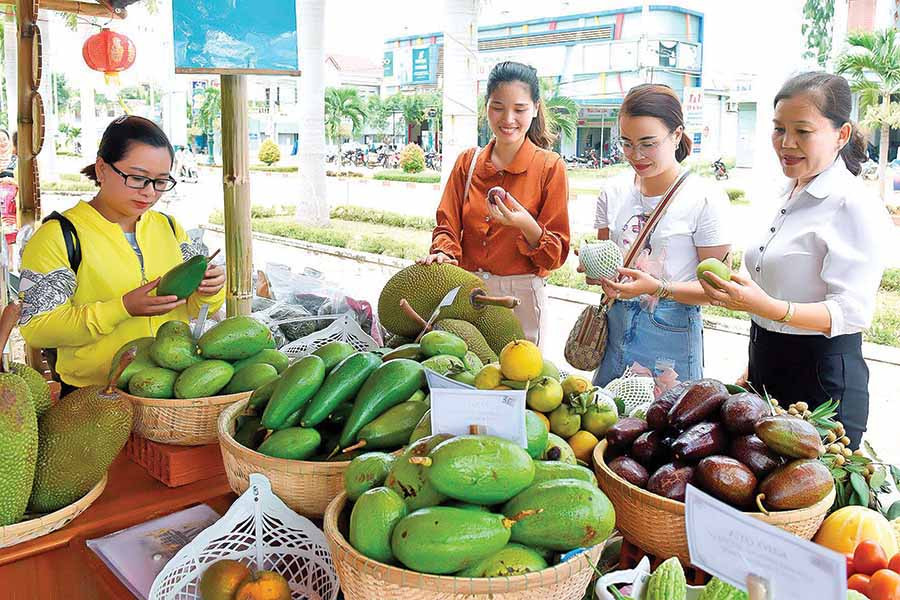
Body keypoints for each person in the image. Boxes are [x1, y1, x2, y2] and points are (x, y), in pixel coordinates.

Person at [700, 72, 890, 448]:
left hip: (822, 382)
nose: (786, 144)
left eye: (803, 131)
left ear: (841, 134)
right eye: (778, 129)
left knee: (805, 501)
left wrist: (768, 308)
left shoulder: (853, 203)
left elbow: (850, 313)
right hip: (766, 363)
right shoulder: (782, 193)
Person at [18, 115, 226, 392]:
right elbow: (36, 328)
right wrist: (122, 308)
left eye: (161, 181)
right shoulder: (60, 236)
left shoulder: (170, 228)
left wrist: (210, 291)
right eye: (138, 178)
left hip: (166, 390)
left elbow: (198, 310)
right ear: (102, 169)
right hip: (93, 395)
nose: (150, 192)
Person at [587, 83, 732, 387]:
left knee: (670, 428)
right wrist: (594, 269)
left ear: (677, 135)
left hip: (671, 339)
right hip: (616, 333)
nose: (635, 155)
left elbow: (718, 290)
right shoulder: (612, 192)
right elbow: (602, 265)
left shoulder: (705, 198)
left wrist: (659, 288)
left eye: (648, 143)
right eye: (626, 143)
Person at [420, 61, 570, 345]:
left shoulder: (550, 168)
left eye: (520, 109)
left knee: (515, 382)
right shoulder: (468, 162)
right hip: (466, 292)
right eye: (498, 107)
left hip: (521, 298)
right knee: (464, 375)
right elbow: (447, 225)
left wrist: (525, 224)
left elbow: (556, 254)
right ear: (486, 106)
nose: (508, 118)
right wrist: (444, 255)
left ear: (536, 108)